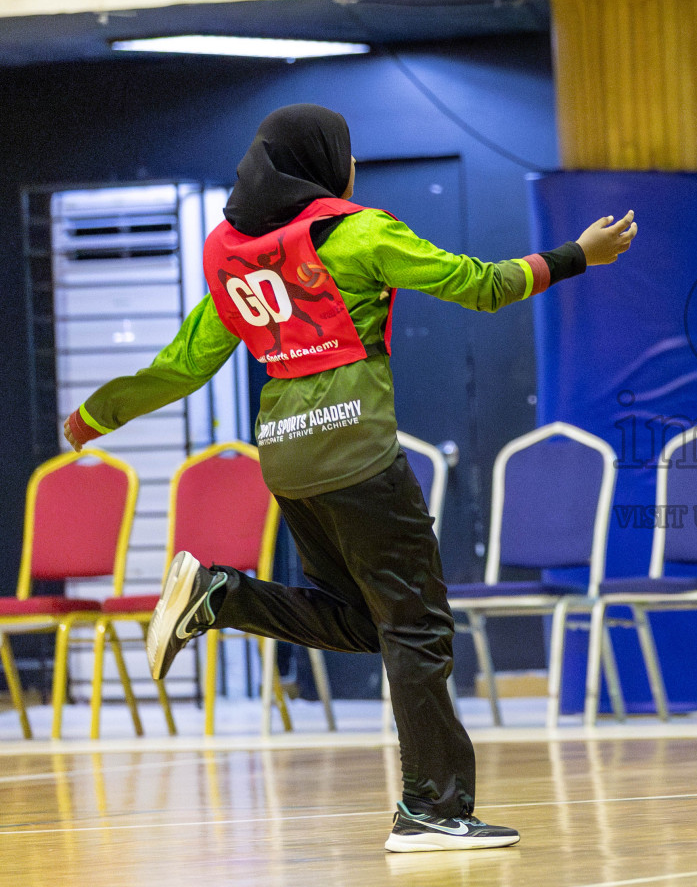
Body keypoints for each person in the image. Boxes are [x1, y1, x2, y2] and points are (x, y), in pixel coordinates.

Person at [61, 104, 637, 852]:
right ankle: (432, 808)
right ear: (326, 164)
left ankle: (221, 595)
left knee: (368, 623)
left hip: (288, 459)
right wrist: (576, 256)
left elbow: (184, 363)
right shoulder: (362, 232)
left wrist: (93, 419)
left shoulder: (230, 254)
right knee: (420, 625)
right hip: (358, 453)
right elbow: (480, 285)